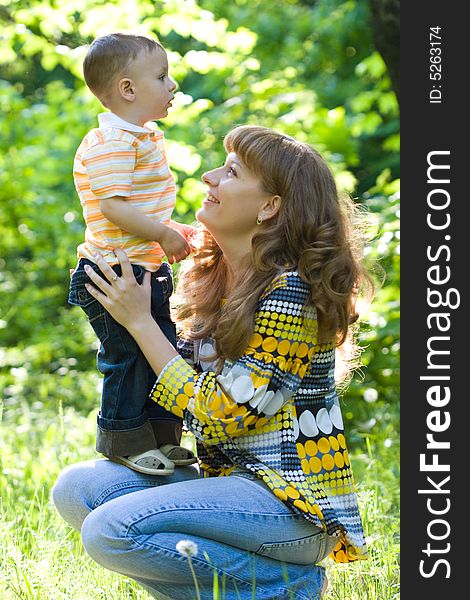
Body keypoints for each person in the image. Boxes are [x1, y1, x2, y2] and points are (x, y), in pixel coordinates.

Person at [53, 125, 373, 599]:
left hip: (291, 505)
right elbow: (171, 386)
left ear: (269, 206)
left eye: (231, 172)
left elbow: (225, 414)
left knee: (111, 530)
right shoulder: (212, 278)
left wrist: (141, 324)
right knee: (76, 489)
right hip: (229, 484)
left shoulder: (291, 294)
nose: (208, 176)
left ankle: (292, 587)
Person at [68, 32, 197, 475]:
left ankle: (163, 437)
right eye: (162, 77)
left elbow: (139, 208)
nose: (173, 85)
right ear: (128, 89)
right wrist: (161, 231)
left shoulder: (138, 137)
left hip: (141, 266)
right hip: (112, 273)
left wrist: (168, 229)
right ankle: (123, 438)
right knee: (127, 357)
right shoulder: (112, 143)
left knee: (163, 348)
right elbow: (113, 207)